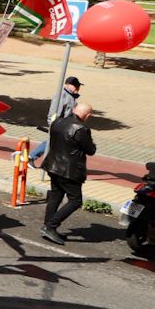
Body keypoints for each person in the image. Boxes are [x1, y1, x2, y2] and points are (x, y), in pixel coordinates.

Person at [41, 102, 96, 244]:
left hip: (52, 165)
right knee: (75, 200)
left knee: (55, 196)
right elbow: (90, 150)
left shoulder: (57, 122)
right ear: (88, 115)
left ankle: (47, 226)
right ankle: (51, 226)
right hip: (69, 170)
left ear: (73, 109)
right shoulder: (81, 129)